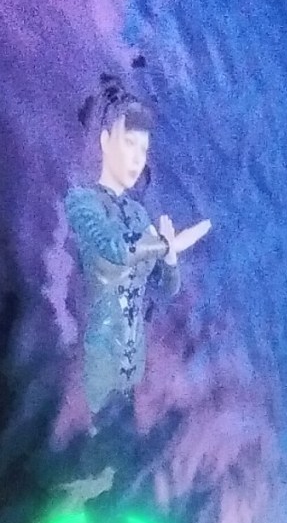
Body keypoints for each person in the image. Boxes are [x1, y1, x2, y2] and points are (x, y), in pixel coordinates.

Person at [65, 76, 210, 420]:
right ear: (104, 141)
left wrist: (170, 257)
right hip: (99, 367)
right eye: (129, 143)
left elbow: (165, 287)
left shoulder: (138, 213)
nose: (136, 158)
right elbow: (116, 248)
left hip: (133, 371)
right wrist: (165, 244)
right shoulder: (82, 202)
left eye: (143, 150)